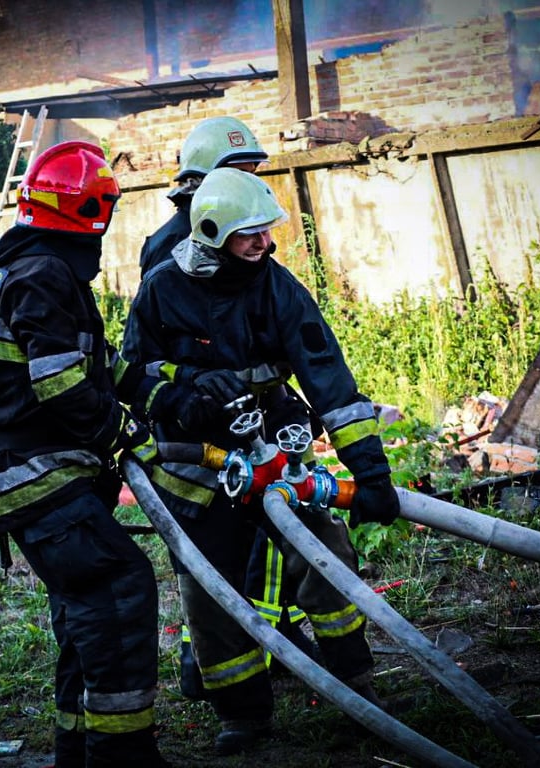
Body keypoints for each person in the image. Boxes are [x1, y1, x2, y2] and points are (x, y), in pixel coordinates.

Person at [122, 167, 401, 755]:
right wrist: (180, 395)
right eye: (250, 233)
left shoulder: (276, 286)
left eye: (267, 232)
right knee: (210, 586)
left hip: (273, 449)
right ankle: (243, 715)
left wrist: (371, 474)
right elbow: (130, 372)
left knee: (324, 553)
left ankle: (358, 685)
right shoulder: (162, 287)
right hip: (195, 463)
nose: (265, 243)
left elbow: (329, 380)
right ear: (213, 229)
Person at [0, 141, 213, 768]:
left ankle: (77, 749)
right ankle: (121, 755)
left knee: (87, 608)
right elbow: (60, 384)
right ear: (94, 213)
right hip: (35, 474)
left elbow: (100, 369)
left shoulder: (42, 268)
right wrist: (121, 434)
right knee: (116, 587)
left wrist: (171, 396)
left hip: (38, 471)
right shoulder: (44, 275)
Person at [140, 115, 312, 701]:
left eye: (254, 174)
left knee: (259, 542)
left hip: (246, 424)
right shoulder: (172, 251)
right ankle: (208, 664)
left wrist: (280, 397)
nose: (252, 188)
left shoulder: (248, 243)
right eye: (239, 174)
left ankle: (264, 645)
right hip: (199, 435)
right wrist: (195, 391)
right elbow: (162, 349)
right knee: (209, 554)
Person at [138, 115, 268, 276]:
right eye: (236, 175)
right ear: (200, 181)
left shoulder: (239, 234)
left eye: (251, 175)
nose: (248, 185)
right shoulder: (173, 244)